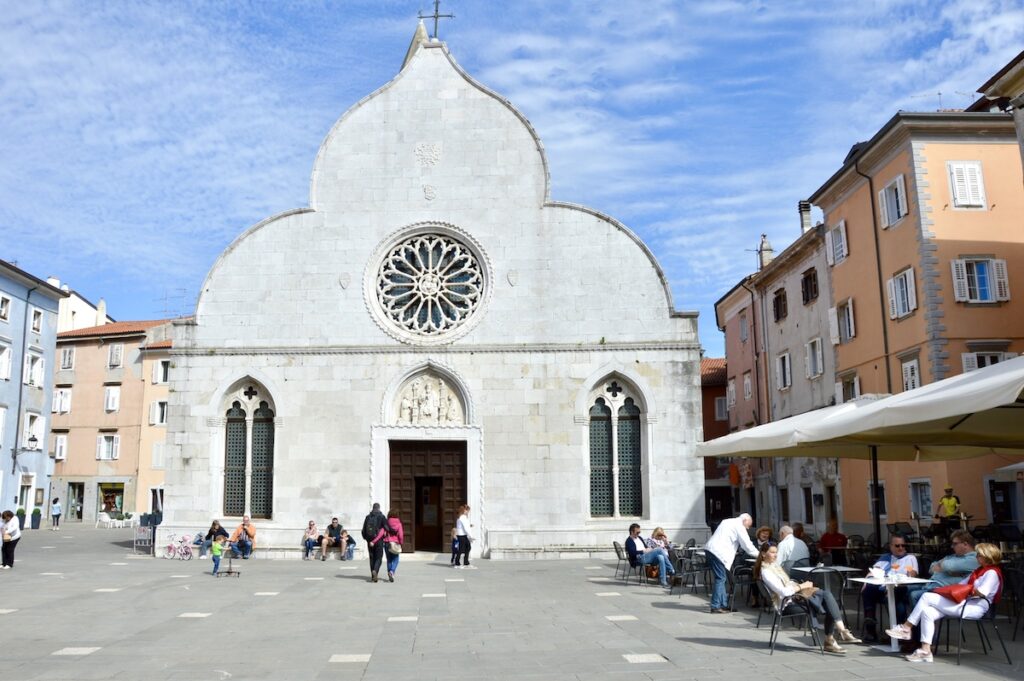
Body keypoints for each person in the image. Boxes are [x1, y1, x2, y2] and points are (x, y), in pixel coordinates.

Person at [885, 543, 1003, 663]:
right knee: (927, 612)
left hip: (975, 607)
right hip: (964, 603)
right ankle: (925, 651)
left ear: (987, 557)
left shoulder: (991, 573)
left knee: (926, 597)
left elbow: (982, 592)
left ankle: (906, 628)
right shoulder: (979, 571)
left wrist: (965, 590)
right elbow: (961, 585)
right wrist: (951, 590)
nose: (976, 557)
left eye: (979, 555)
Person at [754, 542, 861, 653]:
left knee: (827, 596)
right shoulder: (766, 572)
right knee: (827, 599)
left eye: (776, 552)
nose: (775, 555)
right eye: (772, 552)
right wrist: (802, 586)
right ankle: (836, 636)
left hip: (794, 598)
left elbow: (786, 584)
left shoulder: (774, 567)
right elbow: (783, 592)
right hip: (787, 605)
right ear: (763, 554)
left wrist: (796, 584)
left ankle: (838, 634)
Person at [861, 535, 918, 642]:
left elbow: (912, 574)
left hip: (900, 589)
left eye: (903, 545)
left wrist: (910, 571)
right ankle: (870, 627)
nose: (901, 548)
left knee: (895, 597)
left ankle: (899, 632)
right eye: (897, 545)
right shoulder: (885, 558)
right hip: (883, 589)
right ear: (891, 546)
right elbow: (874, 571)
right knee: (868, 588)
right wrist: (867, 579)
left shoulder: (910, 558)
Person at [907, 530, 978, 607]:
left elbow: (948, 566)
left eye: (955, 544)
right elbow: (931, 568)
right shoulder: (953, 556)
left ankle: (919, 618)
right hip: (931, 585)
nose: (952, 546)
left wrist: (943, 565)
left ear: (965, 544)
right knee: (903, 590)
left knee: (914, 595)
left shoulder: (973, 559)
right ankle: (901, 618)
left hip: (946, 591)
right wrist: (947, 569)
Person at [705, 513, 759, 613]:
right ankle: (715, 606)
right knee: (720, 578)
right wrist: (760, 556)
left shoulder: (727, 521)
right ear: (745, 521)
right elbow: (747, 546)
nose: (748, 528)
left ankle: (723, 604)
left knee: (721, 578)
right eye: (748, 525)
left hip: (711, 550)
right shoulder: (739, 526)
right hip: (719, 553)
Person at [625, 523, 675, 588]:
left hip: (646, 556)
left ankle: (663, 581)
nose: (638, 534)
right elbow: (632, 553)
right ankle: (671, 570)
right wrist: (643, 551)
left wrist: (648, 549)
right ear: (632, 532)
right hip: (639, 558)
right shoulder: (629, 541)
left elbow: (645, 547)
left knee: (661, 557)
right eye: (637, 532)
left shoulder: (639, 538)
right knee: (659, 549)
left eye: (639, 532)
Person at [372, 509, 404, 582]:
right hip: (395, 543)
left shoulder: (386, 522)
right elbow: (401, 535)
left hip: (387, 543)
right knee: (396, 559)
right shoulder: (399, 524)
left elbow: (381, 533)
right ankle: (392, 572)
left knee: (389, 559)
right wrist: (401, 543)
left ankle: (390, 572)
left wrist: (374, 541)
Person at [362, 503, 387, 582]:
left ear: (373, 508)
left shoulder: (368, 517)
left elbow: (363, 530)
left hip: (370, 540)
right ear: (379, 508)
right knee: (379, 557)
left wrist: (367, 539)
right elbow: (387, 527)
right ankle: (375, 571)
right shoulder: (382, 517)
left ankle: (373, 575)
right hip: (379, 540)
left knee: (372, 557)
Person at [455, 504, 476, 569]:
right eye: (467, 510)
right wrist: (471, 536)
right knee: (463, 548)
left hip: (462, 535)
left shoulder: (461, 517)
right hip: (462, 535)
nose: (468, 512)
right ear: (464, 510)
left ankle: (465, 562)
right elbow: (466, 528)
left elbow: (463, 526)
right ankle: (458, 562)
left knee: (467, 547)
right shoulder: (463, 517)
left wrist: (469, 525)